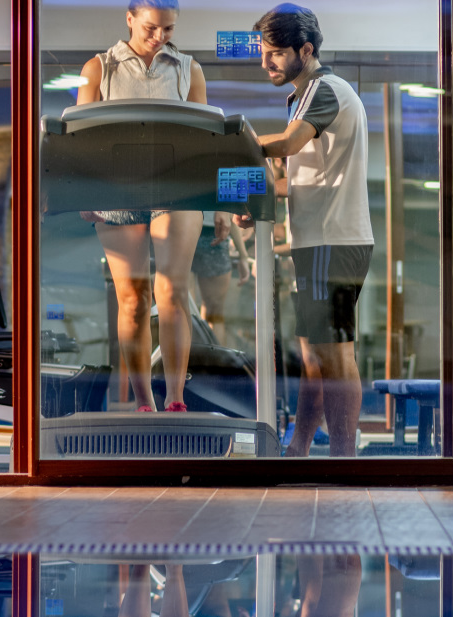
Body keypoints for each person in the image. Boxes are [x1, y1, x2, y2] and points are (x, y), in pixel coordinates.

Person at [241, 3, 374, 457]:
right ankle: (297, 449)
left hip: (331, 241)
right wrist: (257, 197)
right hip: (318, 240)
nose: (266, 63)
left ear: (306, 50)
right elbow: (302, 178)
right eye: (264, 53)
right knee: (314, 357)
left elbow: (286, 144)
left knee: (335, 355)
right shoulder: (302, 96)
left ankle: (343, 459)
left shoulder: (323, 88)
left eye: (276, 53)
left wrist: (232, 146)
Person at [77, 0, 215, 412]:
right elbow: (81, 137)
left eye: (168, 29)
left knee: (171, 289)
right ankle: (143, 402)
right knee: (133, 298)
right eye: (151, 27)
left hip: (177, 189)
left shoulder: (188, 69)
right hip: (117, 193)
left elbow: (205, 138)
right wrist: (85, 192)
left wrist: (218, 202)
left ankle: (175, 399)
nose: (159, 36)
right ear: (130, 19)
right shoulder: (100, 68)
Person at [192, 211, 251, 348]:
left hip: (215, 231)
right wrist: (243, 255)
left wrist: (243, 255)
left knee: (213, 312)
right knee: (185, 309)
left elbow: (230, 214)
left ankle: (211, 358)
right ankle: (196, 358)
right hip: (182, 225)